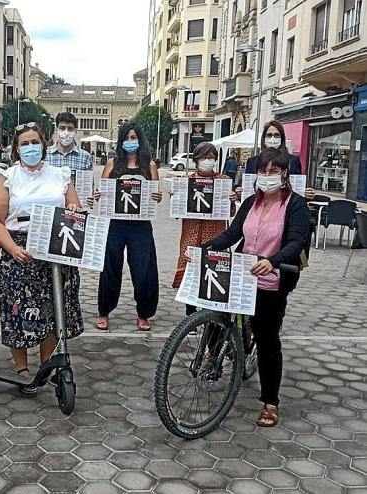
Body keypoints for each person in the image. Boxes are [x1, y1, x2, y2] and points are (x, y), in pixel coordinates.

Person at [202, 147, 311, 427]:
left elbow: (295, 243)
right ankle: (213, 356)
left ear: (285, 174)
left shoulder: (295, 205)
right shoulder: (251, 201)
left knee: (267, 340)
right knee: (216, 315)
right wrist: (205, 248)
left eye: (274, 171)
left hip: (271, 279)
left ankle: (271, 402)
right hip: (241, 273)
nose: (267, 176)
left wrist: (272, 261)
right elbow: (232, 233)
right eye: (263, 171)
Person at [0, 121, 83, 381]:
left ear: (44, 144)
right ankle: (21, 367)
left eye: (35, 142)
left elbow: (74, 204)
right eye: (24, 144)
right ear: (17, 150)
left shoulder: (60, 174)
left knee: (54, 307)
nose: (31, 148)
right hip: (19, 248)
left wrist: (74, 210)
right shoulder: (7, 177)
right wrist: (13, 248)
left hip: (54, 246)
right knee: (19, 308)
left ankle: (48, 363)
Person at [95, 122, 163, 331]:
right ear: (121, 141)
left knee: (144, 268)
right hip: (115, 224)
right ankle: (104, 311)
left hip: (140, 226)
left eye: (134, 138)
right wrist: (99, 195)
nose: (130, 142)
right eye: (127, 138)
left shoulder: (149, 165)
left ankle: (144, 313)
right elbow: (103, 192)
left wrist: (157, 196)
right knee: (109, 268)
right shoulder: (112, 164)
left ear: (140, 140)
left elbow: (156, 197)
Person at [172, 142, 238, 314]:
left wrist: (231, 200)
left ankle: (210, 312)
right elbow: (177, 213)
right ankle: (190, 313)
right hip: (191, 233)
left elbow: (230, 213)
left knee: (212, 268)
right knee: (190, 269)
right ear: (196, 160)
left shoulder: (223, 181)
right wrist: (177, 197)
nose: (208, 161)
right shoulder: (186, 181)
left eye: (211, 157)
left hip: (215, 233)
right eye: (204, 157)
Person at [240, 120, 316, 200]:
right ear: (264, 138)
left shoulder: (293, 161)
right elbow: (246, 187)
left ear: (282, 138)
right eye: (269, 135)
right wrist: (239, 193)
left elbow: (298, 188)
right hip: (257, 204)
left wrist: (307, 194)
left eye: (276, 135)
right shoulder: (252, 161)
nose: (273, 139)